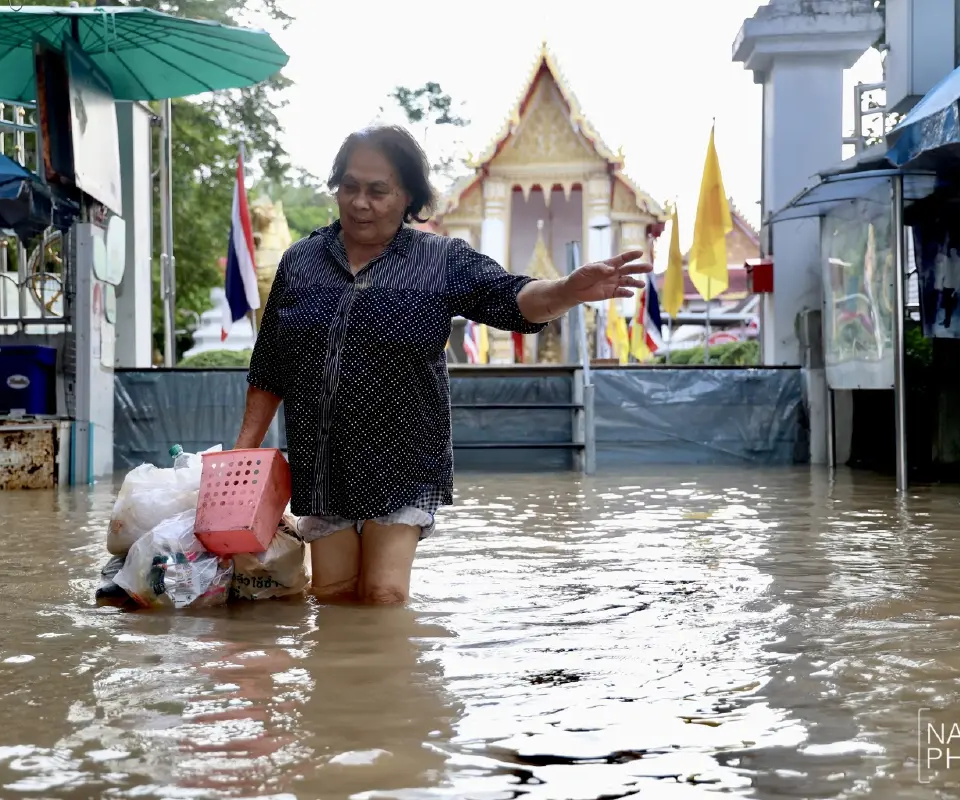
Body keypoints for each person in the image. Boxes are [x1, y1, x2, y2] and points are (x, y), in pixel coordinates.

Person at [234, 125, 651, 605]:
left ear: (408, 196)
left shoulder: (440, 260)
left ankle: (402, 681)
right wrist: (241, 463)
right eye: (349, 187)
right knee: (332, 597)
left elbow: (511, 298)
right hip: (323, 462)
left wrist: (565, 291)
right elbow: (269, 367)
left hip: (403, 460)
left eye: (377, 191)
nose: (360, 203)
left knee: (384, 595)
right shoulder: (300, 262)